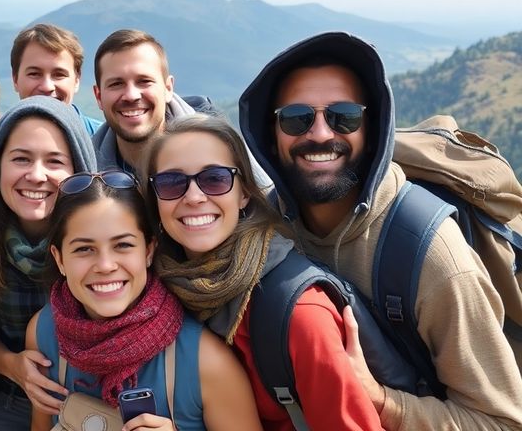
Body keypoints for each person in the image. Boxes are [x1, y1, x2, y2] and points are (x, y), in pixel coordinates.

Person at [239, 31, 522, 430]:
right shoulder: (264, 224)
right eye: (296, 118)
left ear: (371, 130)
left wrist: (383, 401)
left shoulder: (432, 255)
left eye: (344, 117)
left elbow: (504, 422)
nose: (319, 134)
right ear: (271, 134)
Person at [144, 114, 383, 430]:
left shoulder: (299, 314)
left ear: (243, 192)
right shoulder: (164, 289)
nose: (194, 197)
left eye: (215, 178)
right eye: (171, 183)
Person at [27, 168, 262, 431]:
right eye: (84, 249)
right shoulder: (43, 331)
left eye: (123, 245)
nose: (105, 265)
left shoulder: (207, 362)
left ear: (149, 251)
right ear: (59, 259)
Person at [0, 96, 98, 430]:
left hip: (88, 404)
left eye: (54, 162)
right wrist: (13, 365)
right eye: (21, 159)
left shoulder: (101, 240)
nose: (36, 175)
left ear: (78, 171)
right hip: (4, 400)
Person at [90, 29, 198, 173]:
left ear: (168, 89)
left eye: (144, 81)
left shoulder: (218, 157)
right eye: (116, 84)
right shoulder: (82, 177)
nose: (131, 95)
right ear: (99, 97)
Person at [10, 23, 103, 135]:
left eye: (59, 75)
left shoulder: (107, 143)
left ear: (77, 80)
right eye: (34, 74)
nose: (47, 87)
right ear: (15, 80)